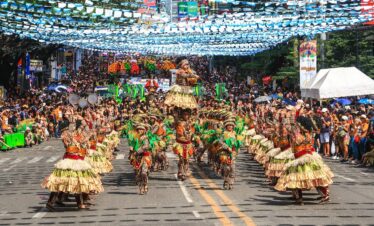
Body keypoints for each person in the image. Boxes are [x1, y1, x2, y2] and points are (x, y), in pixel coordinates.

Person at [275, 116, 334, 205]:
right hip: (307, 157)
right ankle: (324, 195)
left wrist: (287, 126)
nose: (297, 126)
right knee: (314, 176)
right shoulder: (308, 134)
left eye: (298, 125)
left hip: (302, 158)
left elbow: (291, 135)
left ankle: (299, 198)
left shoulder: (299, 135)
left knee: (296, 178)